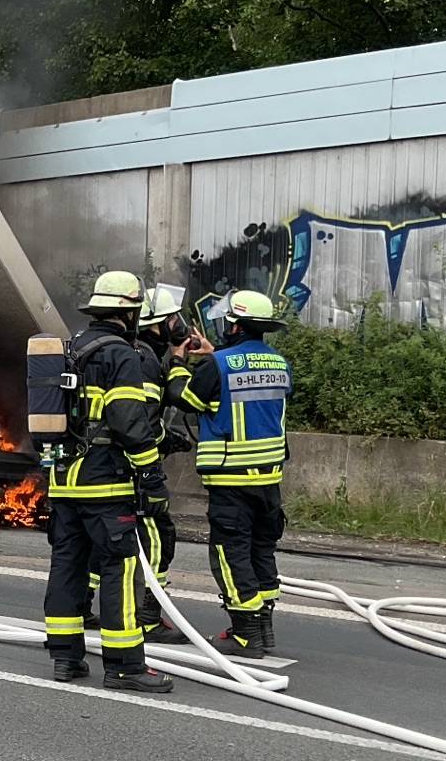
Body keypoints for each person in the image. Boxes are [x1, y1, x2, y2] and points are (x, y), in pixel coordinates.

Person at [31, 270, 172, 693]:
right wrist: (151, 475)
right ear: (129, 315)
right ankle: (126, 666)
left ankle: (66, 659)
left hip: (63, 481)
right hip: (105, 485)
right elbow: (130, 422)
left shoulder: (71, 350)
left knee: (67, 567)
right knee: (121, 569)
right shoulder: (121, 355)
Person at [166, 290, 291, 658]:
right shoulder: (279, 363)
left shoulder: (218, 365)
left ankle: (245, 634)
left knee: (230, 552)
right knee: (260, 551)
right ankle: (264, 630)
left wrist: (178, 359)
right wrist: (210, 356)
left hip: (231, 479)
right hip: (268, 480)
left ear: (233, 324)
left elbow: (183, 397)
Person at [128, 287, 194, 645]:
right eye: (172, 319)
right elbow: (145, 423)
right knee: (157, 538)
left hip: (112, 465)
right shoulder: (145, 360)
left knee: (104, 541)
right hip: (139, 467)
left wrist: (179, 359)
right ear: (155, 325)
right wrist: (167, 442)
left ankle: (85, 608)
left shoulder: (139, 354)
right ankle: (148, 618)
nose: (178, 325)